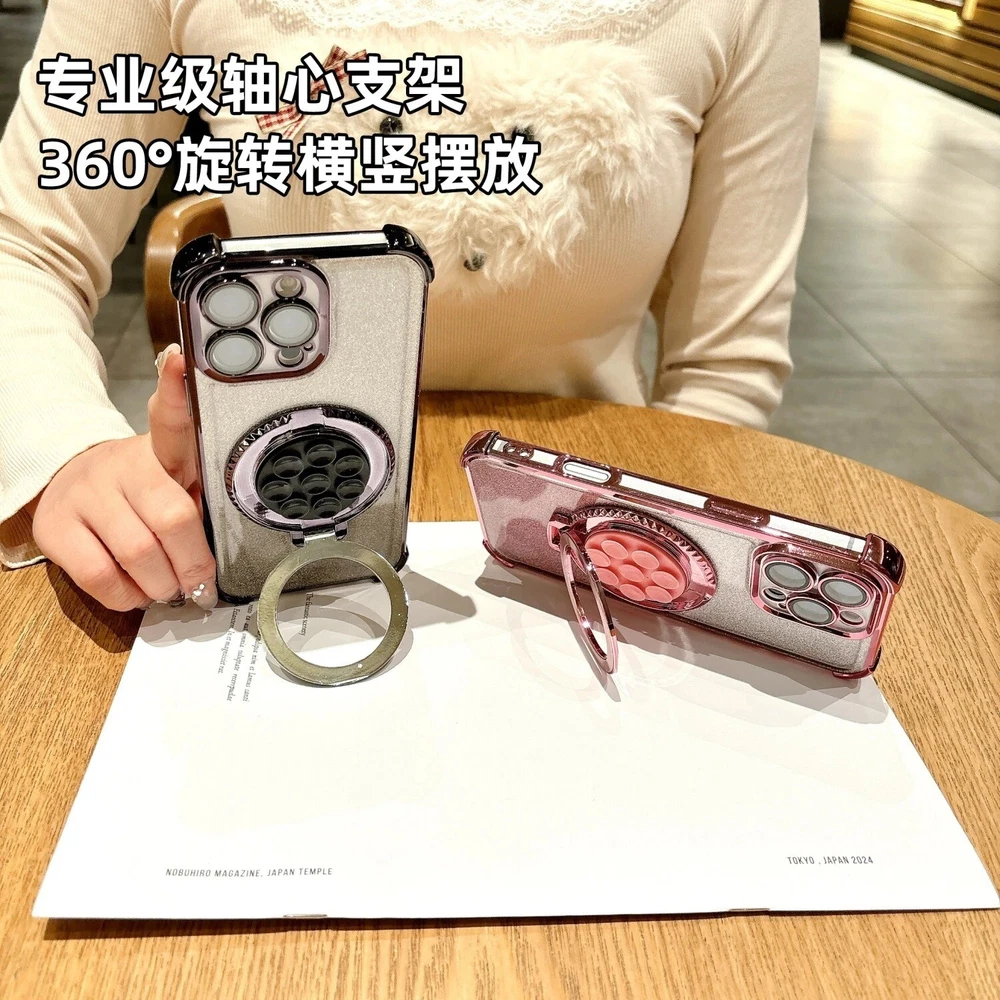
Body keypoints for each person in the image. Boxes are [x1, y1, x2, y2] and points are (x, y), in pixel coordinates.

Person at [0, 0, 820, 612]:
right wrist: (67, 450)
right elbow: (23, 248)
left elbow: (724, 368)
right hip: (253, 538)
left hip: (587, 544)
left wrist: (658, 552)